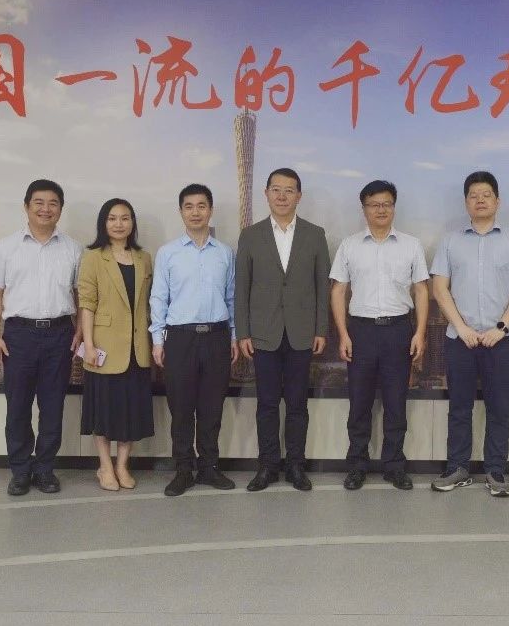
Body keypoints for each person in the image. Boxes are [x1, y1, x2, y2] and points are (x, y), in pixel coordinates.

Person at [429, 171, 509, 497]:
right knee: (459, 407)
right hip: (459, 339)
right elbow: (439, 288)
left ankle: (495, 471)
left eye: (486, 195)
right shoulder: (450, 241)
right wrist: (461, 328)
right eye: (473, 195)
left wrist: (501, 328)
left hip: (501, 340)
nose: (480, 200)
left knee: (499, 408)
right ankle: (457, 468)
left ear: (497, 201)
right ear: (466, 202)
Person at [0, 179, 82, 496]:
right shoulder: (6, 247)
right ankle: (21, 471)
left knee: (53, 407)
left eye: (53, 203)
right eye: (39, 202)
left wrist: (80, 330)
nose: (45, 209)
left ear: (60, 209)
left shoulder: (73, 249)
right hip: (19, 335)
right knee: (18, 407)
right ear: (26, 206)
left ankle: (45, 470)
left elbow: (81, 295)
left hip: (60, 334)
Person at [329, 180, 428, 491]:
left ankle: (394, 466)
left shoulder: (411, 245)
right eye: (374, 204)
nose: (381, 210)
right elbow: (338, 291)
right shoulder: (350, 245)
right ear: (364, 209)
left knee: (396, 404)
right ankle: (357, 466)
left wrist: (420, 332)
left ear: (394, 207)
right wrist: (343, 334)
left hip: (399, 330)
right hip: (361, 332)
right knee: (359, 404)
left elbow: (421, 290)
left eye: (386, 204)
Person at [235, 167, 330, 492]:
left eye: (289, 190)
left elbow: (322, 286)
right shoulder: (250, 235)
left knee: (297, 404)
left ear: (298, 196)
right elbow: (242, 288)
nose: (282, 196)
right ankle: (267, 466)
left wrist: (320, 329)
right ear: (266, 193)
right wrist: (243, 332)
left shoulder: (315, 234)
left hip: (302, 333)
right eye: (276, 189)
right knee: (266, 404)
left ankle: (296, 466)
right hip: (264, 333)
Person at [149, 184, 239, 497]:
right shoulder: (168, 253)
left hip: (216, 337)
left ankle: (209, 467)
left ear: (210, 210)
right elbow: (159, 297)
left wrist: (233, 335)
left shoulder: (225, 253)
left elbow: (231, 297)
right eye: (189, 206)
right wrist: (158, 340)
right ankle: (184, 470)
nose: (196, 212)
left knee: (212, 408)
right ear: (181, 212)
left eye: (202, 206)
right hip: (180, 339)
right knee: (182, 408)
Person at [77, 198, 155, 491]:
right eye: (112, 218)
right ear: (103, 223)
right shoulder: (93, 257)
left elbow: (149, 302)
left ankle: (122, 465)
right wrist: (89, 343)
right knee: (104, 411)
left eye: (125, 218)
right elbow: (87, 303)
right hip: (104, 346)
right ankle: (105, 466)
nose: (119, 224)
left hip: (137, 347)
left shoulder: (144, 258)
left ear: (132, 223)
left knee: (130, 412)